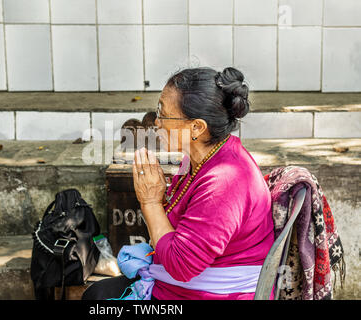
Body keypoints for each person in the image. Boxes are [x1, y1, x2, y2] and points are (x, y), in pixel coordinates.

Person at [82, 67, 274, 300]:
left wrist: (150, 202)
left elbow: (181, 265)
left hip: (210, 295)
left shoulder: (223, 183)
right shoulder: (200, 160)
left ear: (197, 127)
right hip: (179, 284)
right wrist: (159, 199)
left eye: (164, 114)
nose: (157, 123)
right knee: (96, 294)